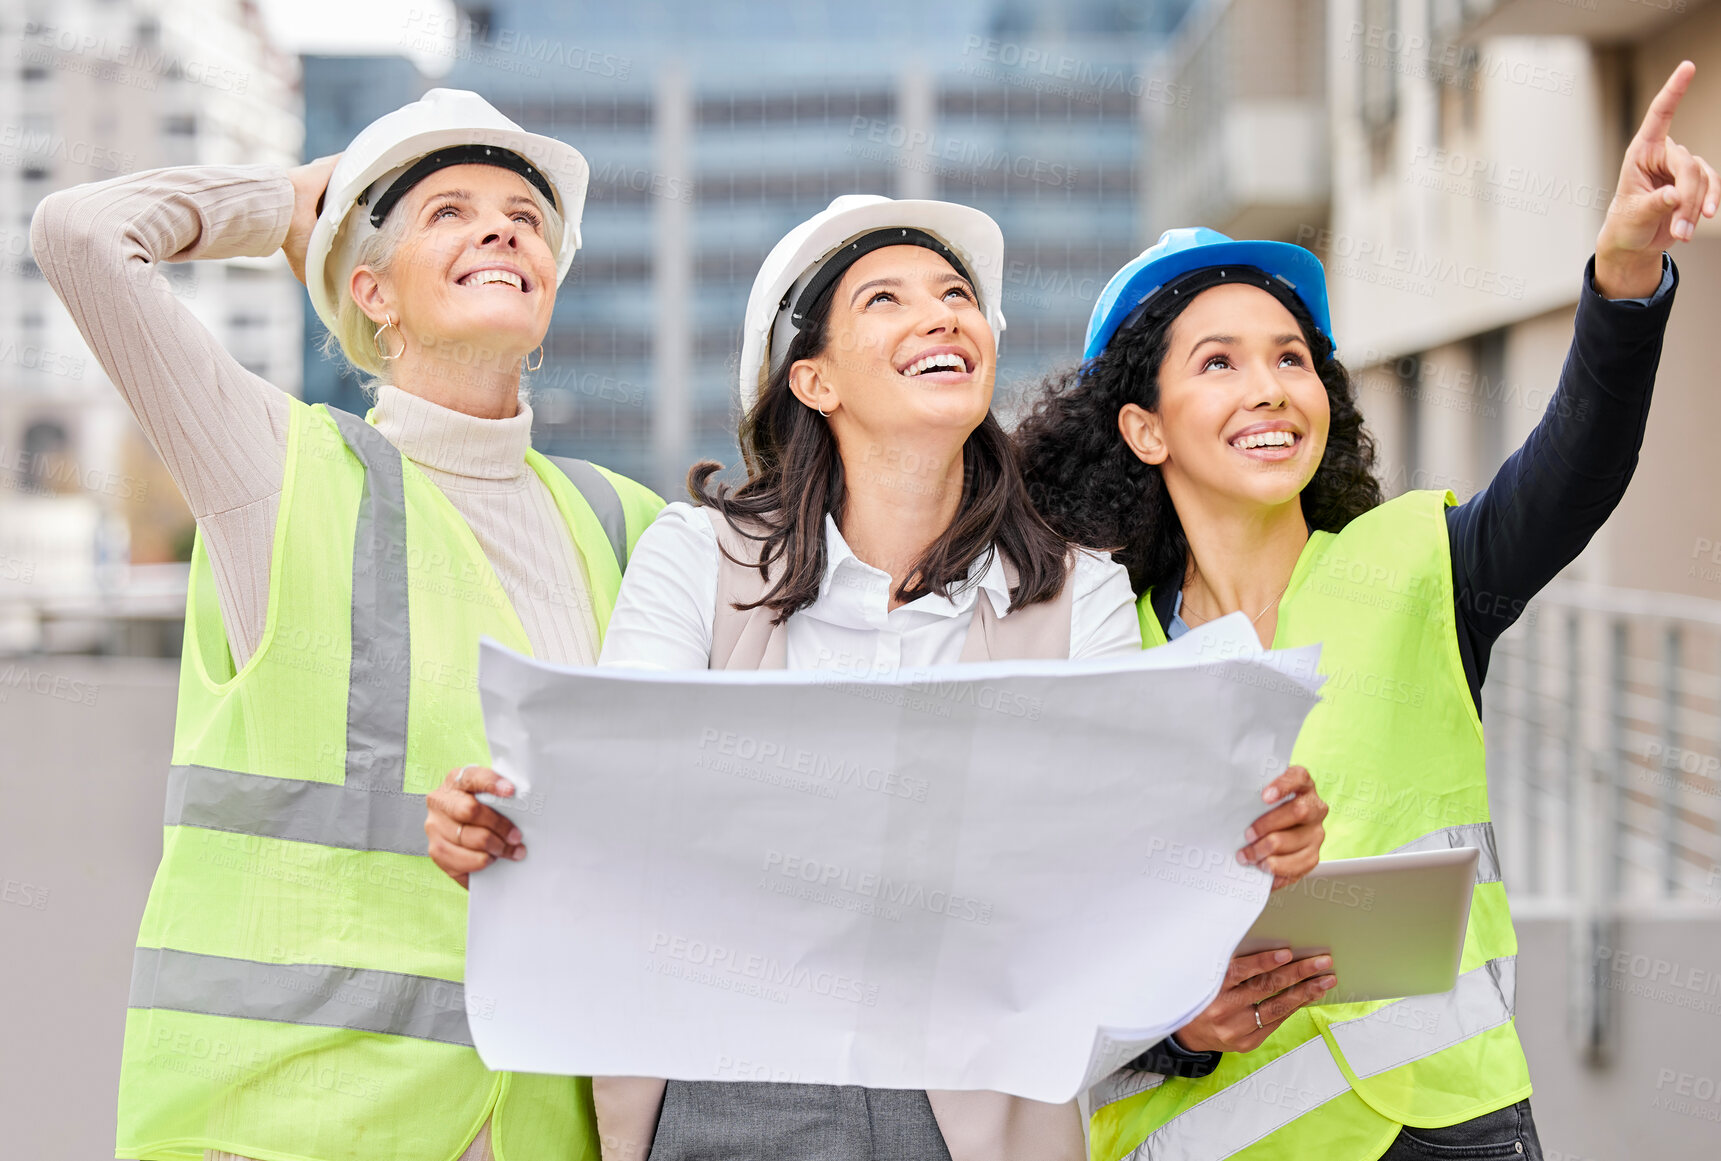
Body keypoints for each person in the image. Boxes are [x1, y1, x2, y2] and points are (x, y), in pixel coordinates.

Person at [426, 194, 1333, 1161]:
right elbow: (617, 799)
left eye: (955, 295)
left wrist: (1234, 842)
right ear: (812, 379)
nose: (941, 315)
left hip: (980, 1102)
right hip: (730, 1086)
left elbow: (1113, 867)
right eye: (886, 299)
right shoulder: (696, 557)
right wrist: (501, 824)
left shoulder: (1080, 592)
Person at [1011, 61, 1713, 1161]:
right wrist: (1174, 1035)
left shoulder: (1418, 560)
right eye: (1219, 363)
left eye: (1291, 358)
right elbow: (1036, 960)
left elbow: (1576, 467)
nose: (1269, 388)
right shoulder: (1093, 650)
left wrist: (1623, 269)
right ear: (1143, 430)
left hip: (1453, 1130)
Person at [31, 88, 662, 1161]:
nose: (501, 226)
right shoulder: (276, 472)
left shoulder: (625, 526)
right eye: (448, 211)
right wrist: (283, 201)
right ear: (369, 291)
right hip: (286, 1120)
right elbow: (82, 235)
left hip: (534, 1125)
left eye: (524, 215)